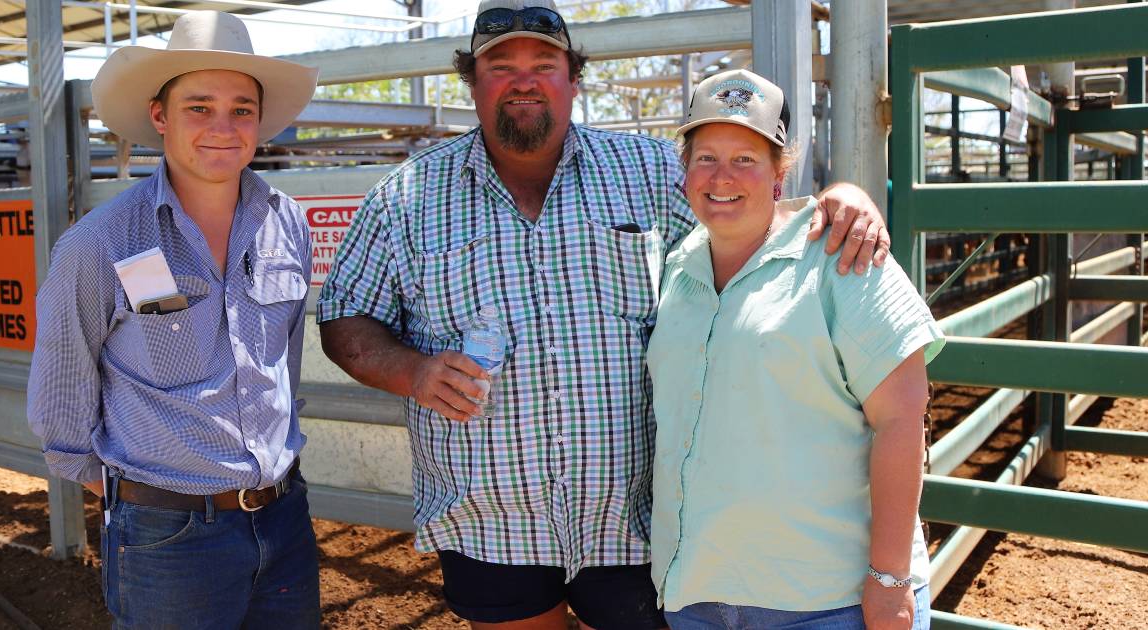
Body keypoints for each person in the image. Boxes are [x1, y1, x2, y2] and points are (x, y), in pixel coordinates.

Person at [318, 1, 889, 627]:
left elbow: (744, 219)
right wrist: (413, 373)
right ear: (472, 81)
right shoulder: (405, 199)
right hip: (489, 521)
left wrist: (839, 197)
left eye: (544, 63)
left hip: (639, 518)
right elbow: (345, 319)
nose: (524, 80)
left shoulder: (647, 174)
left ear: (573, 77)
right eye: (500, 65)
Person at [26, 11, 320, 628]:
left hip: (283, 518)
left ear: (259, 122)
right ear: (160, 116)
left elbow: (282, 361)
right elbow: (62, 392)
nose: (223, 126)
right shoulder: (103, 242)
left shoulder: (285, 223)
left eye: (242, 109)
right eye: (198, 106)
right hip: (168, 534)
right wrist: (136, 499)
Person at [647, 68, 944, 630]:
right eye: (706, 156)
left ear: (779, 177)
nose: (722, 176)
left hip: (826, 602)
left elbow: (903, 417)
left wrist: (889, 580)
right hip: (698, 595)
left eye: (746, 159)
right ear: (684, 171)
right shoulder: (675, 267)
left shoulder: (840, 255)